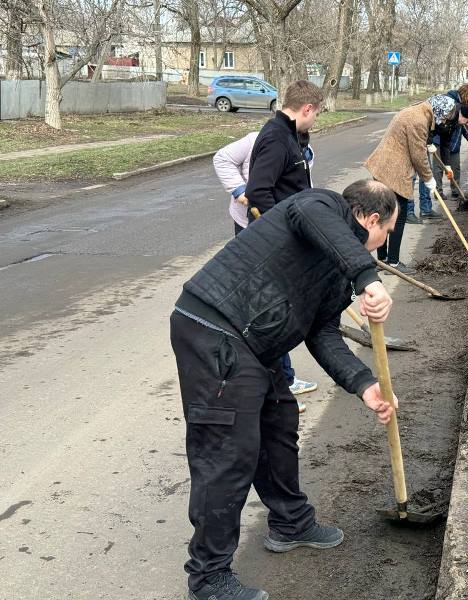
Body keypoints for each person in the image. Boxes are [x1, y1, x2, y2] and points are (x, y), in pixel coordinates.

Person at [171, 180, 399, 600]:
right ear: (370, 219)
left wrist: (365, 384)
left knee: (278, 424)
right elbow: (307, 214)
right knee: (227, 452)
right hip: (214, 328)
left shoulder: (336, 272)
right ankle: (208, 578)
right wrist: (368, 277)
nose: (382, 246)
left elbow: (323, 333)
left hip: (254, 345)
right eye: (385, 233)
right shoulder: (319, 204)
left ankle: (290, 522)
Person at [212, 131, 319, 410]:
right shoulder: (254, 140)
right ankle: (278, 382)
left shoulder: (300, 148)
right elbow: (222, 158)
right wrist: (239, 190)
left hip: (278, 228)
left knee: (274, 301)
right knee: (269, 302)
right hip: (254, 226)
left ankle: (281, 379)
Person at [365, 94, 459, 274]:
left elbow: (417, 143)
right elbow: (418, 157)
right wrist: (429, 179)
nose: (444, 121)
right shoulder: (419, 120)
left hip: (384, 165)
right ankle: (393, 263)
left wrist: (427, 144)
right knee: (397, 215)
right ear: (439, 110)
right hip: (394, 169)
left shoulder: (418, 111)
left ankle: (382, 259)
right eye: (445, 116)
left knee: (384, 214)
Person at [245, 79, 323, 220]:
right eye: (316, 114)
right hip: (276, 234)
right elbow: (257, 191)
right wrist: (281, 226)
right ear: (307, 109)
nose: (315, 120)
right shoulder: (276, 139)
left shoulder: (289, 133)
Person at [409, 84, 468, 222]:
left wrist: (448, 166)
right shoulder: (448, 106)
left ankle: (426, 209)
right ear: (463, 114)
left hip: (427, 136)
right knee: (413, 174)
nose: (467, 123)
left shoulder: (454, 119)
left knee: (425, 173)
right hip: (416, 130)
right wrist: (429, 143)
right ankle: (408, 211)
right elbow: (429, 122)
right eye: (467, 120)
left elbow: (446, 141)